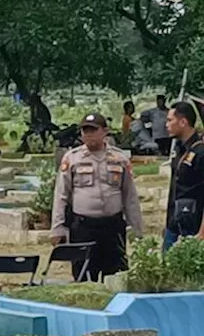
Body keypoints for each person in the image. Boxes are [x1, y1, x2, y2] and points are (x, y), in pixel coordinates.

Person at [53, 113, 142, 280]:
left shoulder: (119, 158)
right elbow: (61, 195)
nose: (89, 134)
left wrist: (137, 231)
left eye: (93, 130)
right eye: (85, 130)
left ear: (104, 132)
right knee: (84, 276)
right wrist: (57, 228)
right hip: (83, 227)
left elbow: (130, 196)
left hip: (112, 227)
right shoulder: (72, 158)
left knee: (117, 276)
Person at [164, 102, 204, 250]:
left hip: (193, 228)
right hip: (174, 225)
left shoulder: (200, 152)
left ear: (183, 122)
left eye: (170, 120)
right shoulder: (180, 150)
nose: (166, 125)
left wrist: (202, 233)